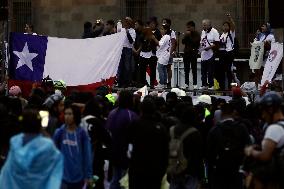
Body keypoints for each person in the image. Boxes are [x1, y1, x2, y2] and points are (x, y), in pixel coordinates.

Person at [0, 109, 63, 189]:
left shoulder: (15, 141)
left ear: (21, 124)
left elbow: (6, 172)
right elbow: (55, 169)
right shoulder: (47, 145)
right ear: (39, 124)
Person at [128, 96, 169, 189]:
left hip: (137, 167)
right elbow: (165, 150)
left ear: (141, 109)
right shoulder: (160, 127)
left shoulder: (134, 124)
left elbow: (128, 144)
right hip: (155, 169)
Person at [207, 102, 250, 189]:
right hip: (237, 169)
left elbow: (209, 153)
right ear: (233, 112)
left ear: (221, 113)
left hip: (219, 170)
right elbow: (248, 148)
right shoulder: (242, 128)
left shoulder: (214, 130)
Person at [53, 105, 93, 189]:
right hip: (62, 177)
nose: (67, 116)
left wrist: (88, 175)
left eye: (70, 114)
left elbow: (87, 155)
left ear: (76, 115)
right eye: (65, 114)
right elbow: (53, 154)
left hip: (79, 177)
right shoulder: (59, 133)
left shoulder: (82, 134)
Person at [105, 90, 138, 189]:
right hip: (125, 153)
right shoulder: (130, 115)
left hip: (113, 151)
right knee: (124, 180)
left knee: (115, 179)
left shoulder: (112, 113)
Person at [169, 105, 203, 189]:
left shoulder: (172, 129)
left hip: (174, 168)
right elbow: (198, 155)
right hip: (190, 170)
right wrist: (200, 175)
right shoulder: (195, 133)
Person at [216, 14, 236, 90]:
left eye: (226, 26)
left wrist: (230, 18)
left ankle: (230, 87)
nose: (225, 27)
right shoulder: (221, 35)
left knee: (228, 71)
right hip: (222, 54)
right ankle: (222, 87)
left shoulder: (231, 33)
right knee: (221, 71)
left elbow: (233, 25)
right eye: (224, 25)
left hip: (229, 53)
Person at [199, 19, 220, 90]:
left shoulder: (215, 32)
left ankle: (211, 85)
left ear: (209, 25)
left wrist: (209, 47)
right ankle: (204, 84)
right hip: (203, 54)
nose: (203, 26)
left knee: (210, 71)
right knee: (203, 71)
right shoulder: (203, 32)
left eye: (205, 25)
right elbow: (202, 41)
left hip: (211, 53)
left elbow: (217, 44)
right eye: (203, 25)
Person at [117, 17, 136, 88]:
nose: (126, 23)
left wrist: (127, 33)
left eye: (127, 22)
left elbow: (131, 42)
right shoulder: (122, 29)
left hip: (128, 49)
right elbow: (117, 31)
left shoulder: (132, 31)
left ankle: (127, 82)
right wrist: (119, 23)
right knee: (120, 66)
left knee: (127, 66)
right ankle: (120, 82)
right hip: (121, 49)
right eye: (125, 22)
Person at [182, 21, 201, 89]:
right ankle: (186, 83)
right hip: (186, 53)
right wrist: (185, 35)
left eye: (189, 27)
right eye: (187, 27)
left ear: (193, 27)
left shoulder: (197, 34)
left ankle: (195, 84)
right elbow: (183, 42)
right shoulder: (187, 34)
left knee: (194, 69)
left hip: (193, 53)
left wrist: (189, 35)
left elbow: (195, 42)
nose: (188, 29)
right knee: (186, 69)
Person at [154, 24, 171, 89]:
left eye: (162, 29)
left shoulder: (166, 36)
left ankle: (161, 83)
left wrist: (154, 38)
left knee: (160, 68)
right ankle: (164, 83)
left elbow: (159, 44)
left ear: (166, 30)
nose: (161, 30)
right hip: (165, 55)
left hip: (163, 56)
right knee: (163, 69)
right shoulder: (166, 36)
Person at [162, 18, 177, 88]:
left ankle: (169, 82)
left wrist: (170, 52)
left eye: (165, 22)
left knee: (168, 67)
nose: (163, 24)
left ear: (168, 24)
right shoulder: (162, 32)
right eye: (163, 22)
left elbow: (173, 43)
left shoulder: (172, 32)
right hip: (162, 52)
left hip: (168, 52)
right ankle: (163, 82)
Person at [133, 20, 144, 86]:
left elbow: (143, 43)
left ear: (140, 25)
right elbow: (132, 43)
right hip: (134, 52)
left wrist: (138, 50)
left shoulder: (143, 32)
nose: (135, 26)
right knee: (134, 67)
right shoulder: (134, 32)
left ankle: (140, 81)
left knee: (141, 68)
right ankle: (134, 81)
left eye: (136, 24)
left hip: (141, 52)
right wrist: (135, 50)